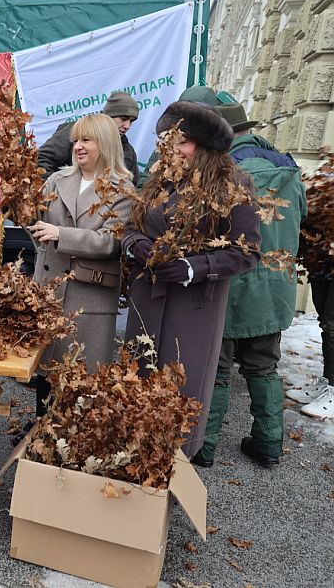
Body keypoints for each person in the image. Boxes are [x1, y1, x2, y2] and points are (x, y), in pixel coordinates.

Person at [123, 101, 262, 459]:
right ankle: (133, 458)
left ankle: (173, 463)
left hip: (192, 310)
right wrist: (135, 243)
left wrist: (192, 268)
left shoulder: (234, 186)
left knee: (178, 391)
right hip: (147, 300)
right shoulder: (159, 178)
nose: (171, 149)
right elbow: (130, 225)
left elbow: (247, 252)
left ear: (204, 146)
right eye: (166, 140)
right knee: (137, 382)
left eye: (180, 142)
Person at [191, 103, 307, 468]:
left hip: (230, 285)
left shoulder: (222, 172)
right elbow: (301, 217)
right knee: (264, 367)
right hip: (275, 287)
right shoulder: (288, 168)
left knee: (217, 369)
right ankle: (269, 444)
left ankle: (203, 448)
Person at [27, 113, 134, 416]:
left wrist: (62, 234)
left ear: (106, 143)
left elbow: (111, 242)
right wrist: (20, 209)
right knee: (46, 372)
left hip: (89, 298)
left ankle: (74, 436)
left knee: (84, 379)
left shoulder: (123, 189)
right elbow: (38, 229)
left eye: (86, 140)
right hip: (50, 292)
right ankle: (41, 428)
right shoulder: (57, 180)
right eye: (76, 140)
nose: (78, 146)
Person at [288, 170, 334, 420]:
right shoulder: (327, 175)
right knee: (326, 324)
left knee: (333, 326)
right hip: (324, 263)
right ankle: (328, 381)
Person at [37, 91, 140, 183]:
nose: (127, 126)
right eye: (123, 119)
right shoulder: (76, 131)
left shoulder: (128, 151)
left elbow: (133, 184)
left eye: (131, 121)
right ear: (108, 116)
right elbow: (41, 159)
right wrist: (57, 191)